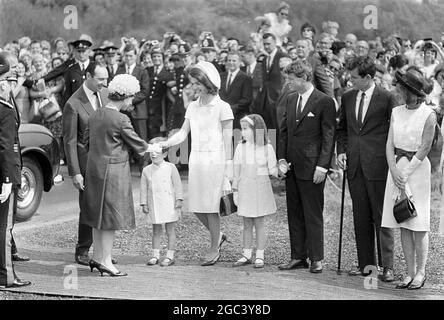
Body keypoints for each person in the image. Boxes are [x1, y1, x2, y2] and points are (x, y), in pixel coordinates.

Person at [83, 74, 161, 277]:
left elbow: (86, 142)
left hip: (94, 170)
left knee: (96, 218)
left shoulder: (95, 114)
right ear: (125, 96)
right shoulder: (121, 119)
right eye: (131, 98)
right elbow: (138, 144)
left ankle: (97, 257)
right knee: (109, 219)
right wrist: (155, 146)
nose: (131, 102)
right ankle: (106, 261)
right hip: (113, 173)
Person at [160, 61, 234, 266]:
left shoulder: (223, 107)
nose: (194, 87)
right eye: (193, 83)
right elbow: (183, 133)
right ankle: (218, 236)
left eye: (197, 83)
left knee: (211, 208)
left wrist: (229, 168)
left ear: (208, 82)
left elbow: (228, 139)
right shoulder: (193, 106)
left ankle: (214, 247)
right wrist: (166, 143)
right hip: (197, 160)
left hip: (216, 161)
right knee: (197, 207)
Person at [337, 56, 396, 281]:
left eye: (354, 78)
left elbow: (395, 131)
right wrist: (341, 151)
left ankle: (387, 266)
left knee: (382, 217)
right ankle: (367, 265)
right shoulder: (348, 96)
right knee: (360, 216)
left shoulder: (387, 97)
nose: (350, 81)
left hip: (379, 165)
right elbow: (342, 128)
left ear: (368, 77)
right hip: (355, 165)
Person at [277, 60, 336, 273]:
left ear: (303, 78)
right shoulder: (291, 99)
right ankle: (297, 256)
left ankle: (316, 257)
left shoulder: (324, 101)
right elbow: (284, 132)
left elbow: (329, 136)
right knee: (294, 212)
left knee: (313, 213)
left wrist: (323, 166)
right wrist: (281, 159)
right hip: (292, 166)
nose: (288, 83)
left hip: (313, 168)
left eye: (291, 79)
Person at [381, 67, 436, 290]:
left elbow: (424, 148)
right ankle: (409, 272)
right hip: (396, 169)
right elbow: (389, 144)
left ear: (411, 91)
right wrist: (394, 169)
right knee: (402, 220)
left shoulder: (428, 114)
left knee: (419, 222)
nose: (397, 90)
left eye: (401, 87)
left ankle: (421, 273)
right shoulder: (396, 111)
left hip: (417, 170)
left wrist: (404, 173)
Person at [62, 62, 110, 266]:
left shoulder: (105, 95)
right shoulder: (73, 104)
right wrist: (75, 172)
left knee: (104, 207)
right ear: (88, 76)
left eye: (106, 79)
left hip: (105, 161)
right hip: (87, 165)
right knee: (89, 207)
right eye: (100, 79)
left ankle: (101, 253)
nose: (104, 83)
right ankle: (82, 249)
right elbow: (70, 141)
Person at [0, 54, 31, 288]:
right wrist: (9, 178)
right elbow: (6, 147)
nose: (12, 85)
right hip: (3, 175)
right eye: (10, 80)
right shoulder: (6, 109)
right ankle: (6, 276)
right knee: (4, 227)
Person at [232, 114, 278, 269]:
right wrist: (235, 189)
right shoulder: (240, 147)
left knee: (259, 223)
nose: (242, 132)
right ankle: (246, 253)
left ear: (256, 129)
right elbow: (236, 170)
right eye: (242, 129)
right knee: (246, 223)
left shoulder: (267, 148)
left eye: (246, 129)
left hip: (260, 189)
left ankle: (260, 254)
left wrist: (281, 168)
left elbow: (273, 170)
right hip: (245, 188)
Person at [141, 137, 183, 267]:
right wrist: (144, 203)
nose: (153, 154)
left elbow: (177, 185)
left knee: (170, 229)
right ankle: (155, 255)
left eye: (157, 151)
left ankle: (170, 256)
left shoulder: (171, 167)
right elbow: (143, 188)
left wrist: (179, 199)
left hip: (169, 202)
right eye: (151, 151)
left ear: (164, 153)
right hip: (154, 203)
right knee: (156, 230)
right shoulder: (146, 170)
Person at [252, 33, 287, 131]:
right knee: (269, 128)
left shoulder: (282, 57)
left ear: (275, 42)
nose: (266, 46)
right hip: (266, 100)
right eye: (264, 44)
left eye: (269, 44)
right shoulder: (264, 59)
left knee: (279, 127)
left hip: (278, 98)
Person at [220, 51, 253, 130]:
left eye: (234, 61)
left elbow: (247, 99)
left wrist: (231, 108)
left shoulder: (246, 78)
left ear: (239, 62)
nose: (231, 63)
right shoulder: (221, 76)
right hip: (221, 117)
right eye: (229, 60)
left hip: (238, 118)